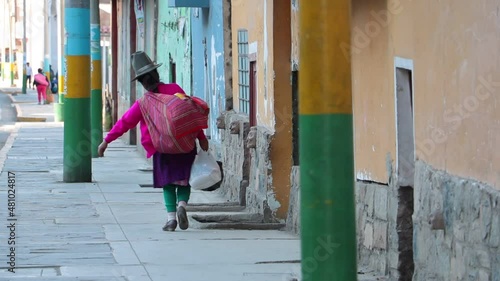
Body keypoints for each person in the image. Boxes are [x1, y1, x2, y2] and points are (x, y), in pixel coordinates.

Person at [98, 51, 209, 232]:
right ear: (157, 75)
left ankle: (171, 219)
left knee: (168, 182)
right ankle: (182, 205)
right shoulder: (175, 90)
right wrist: (202, 138)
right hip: (185, 145)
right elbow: (189, 115)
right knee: (183, 180)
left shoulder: (143, 103)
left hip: (162, 149)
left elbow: (125, 122)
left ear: (142, 82)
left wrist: (106, 141)